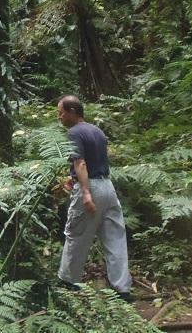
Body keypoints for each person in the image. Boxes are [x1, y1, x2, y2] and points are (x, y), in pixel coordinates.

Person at [56, 95, 132, 301]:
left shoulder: (73, 133)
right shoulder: (97, 131)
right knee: (115, 237)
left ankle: (67, 283)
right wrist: (72, 178)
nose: (59, 117)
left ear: (72, 111)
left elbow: (81, 164)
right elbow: (94, 160)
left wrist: (86, 192)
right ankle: (123, 289)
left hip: (90, 188)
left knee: (76, 235)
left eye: (61, 112)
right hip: (108, 186)